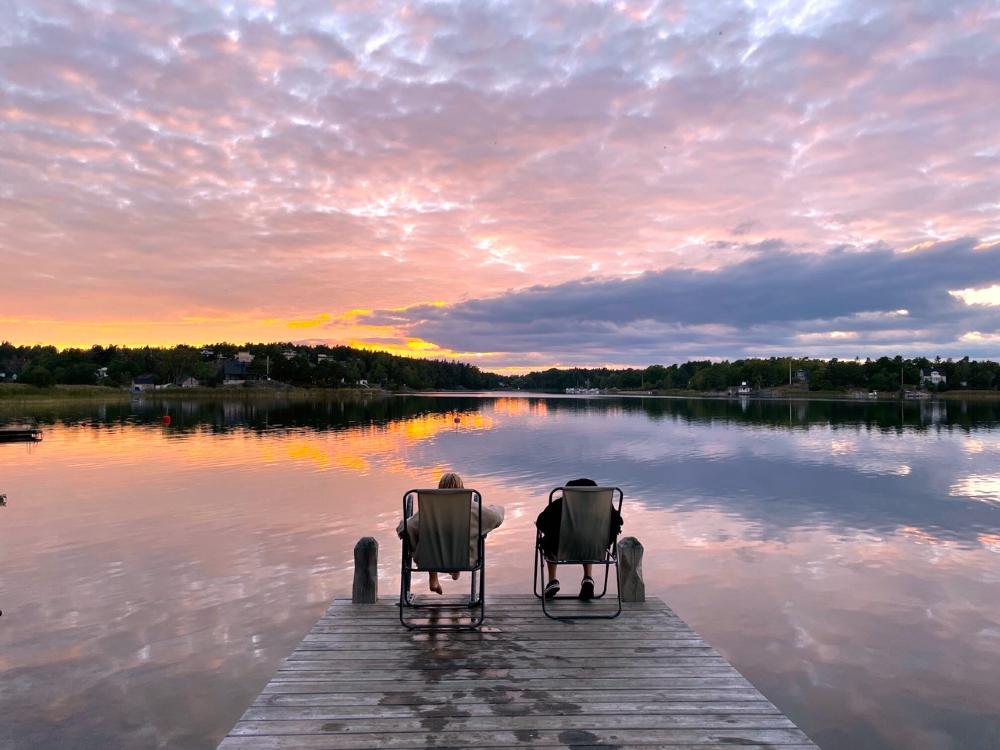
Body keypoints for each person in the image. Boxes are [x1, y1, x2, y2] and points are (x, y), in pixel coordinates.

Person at [397, 472, 504, 594]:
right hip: (465, 560)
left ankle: (434, 578)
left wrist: (414, 535)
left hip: (430, 561)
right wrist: (494, 507)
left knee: (428, 534)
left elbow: (404, 529)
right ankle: (455, 569)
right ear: (462, 489)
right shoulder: (472, 508)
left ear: (439, 489)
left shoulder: (430, 511)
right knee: (466, 533)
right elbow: (496, 517)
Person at [535, 478, 623, 600]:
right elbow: (618, 522)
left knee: (549, 539)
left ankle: (552, 581)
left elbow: (541, 523)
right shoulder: (604, 507)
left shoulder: (559, 505)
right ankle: (588, 578)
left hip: (562, 547)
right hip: (595, 547)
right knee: (588, 538)